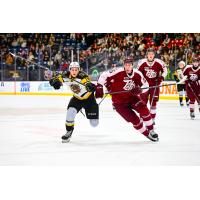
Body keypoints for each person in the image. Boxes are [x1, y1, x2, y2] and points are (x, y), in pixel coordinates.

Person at [96, 57, 159, 142]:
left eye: (129, 65)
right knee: (135, 121)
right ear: (124, 65)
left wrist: (140, 90)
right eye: (126, 65)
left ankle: (151, 130)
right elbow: (103, 75)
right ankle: (146, 134)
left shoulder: (137, 73)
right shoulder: (117, 72)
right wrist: (99, 86)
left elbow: (146, 85)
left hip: (132, 98)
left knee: (144, 110)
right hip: (119, 104)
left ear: (133, 65)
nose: (127, 67)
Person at [46, 61, 98, 142]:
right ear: (69, 70)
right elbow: (56, 78)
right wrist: (54, 82)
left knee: (94, 124)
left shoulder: (83, 76)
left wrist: (89, 86)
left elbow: (87, 82)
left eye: (76, 70)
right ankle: (69, 131)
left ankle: (88, 111)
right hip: (77, 98)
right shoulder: (65, 75)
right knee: (70, 112)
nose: (74, 71)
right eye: (72, 69)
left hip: (89, 99)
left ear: (79, 70)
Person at [137, 48, 167, 124]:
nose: (150, 55)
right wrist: (139, 82)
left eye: (152, 54)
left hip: (155, 85)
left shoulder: (159, 62)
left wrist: (161, 77)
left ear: (154, 55)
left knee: (153, 103)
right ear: (147, 55)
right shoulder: (141, 62)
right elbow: (137, 73)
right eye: (149, 54)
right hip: (144, 86)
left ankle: (152, 118)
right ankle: (142, 117)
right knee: (143, 102)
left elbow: (165, 71)